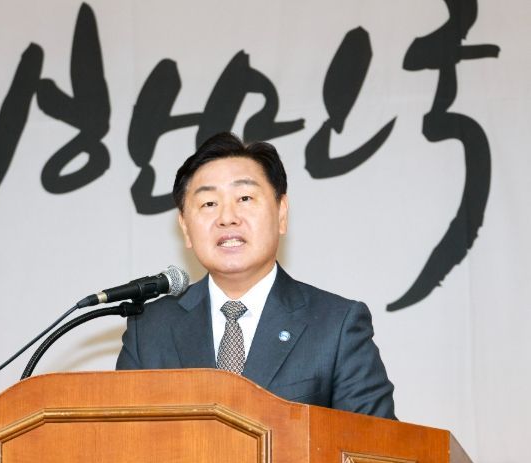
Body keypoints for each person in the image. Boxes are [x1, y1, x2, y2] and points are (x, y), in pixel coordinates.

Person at [116, 132, 395, 419]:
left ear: (281, 213)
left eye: (245, 198)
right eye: (209, 203)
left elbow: (375, 441)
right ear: (185, 227)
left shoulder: (336, 325)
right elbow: (123, 438)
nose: (227, 217)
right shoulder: (149, 330)